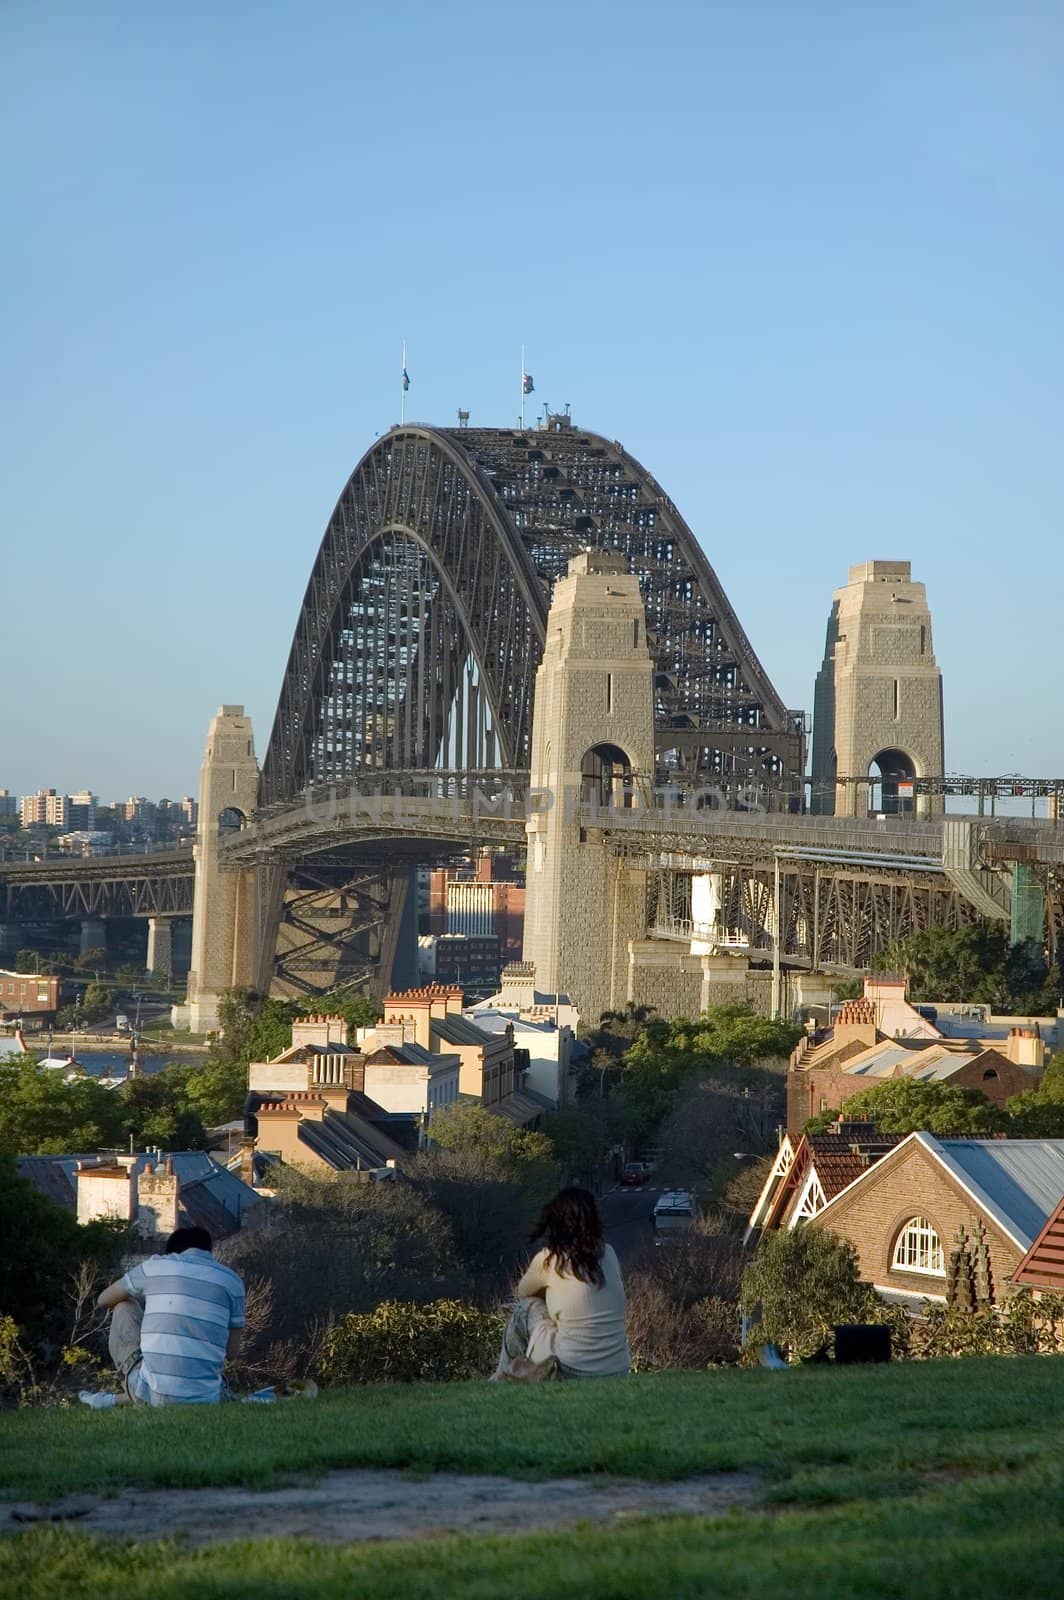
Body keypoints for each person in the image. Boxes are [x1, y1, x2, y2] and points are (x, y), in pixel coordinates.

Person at [97, 1225, 245, 1406]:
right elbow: (232, 1352)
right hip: (208, 1398)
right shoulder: (232, 1281)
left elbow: (103, 1300)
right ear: (209, 1250)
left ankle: (126, 1396)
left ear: (171, 1252)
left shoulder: (155, 1266)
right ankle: (113, 1400)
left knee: (124, 1306)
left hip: (153, 1397)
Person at [495, 1186, 630, 1380]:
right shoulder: (609, 1253)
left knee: (526, 1308)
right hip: (617, 1370)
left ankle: (504, 1375)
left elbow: (524, 1291)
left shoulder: (549, 1259)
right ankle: (518, 1373)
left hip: (569, 1369)